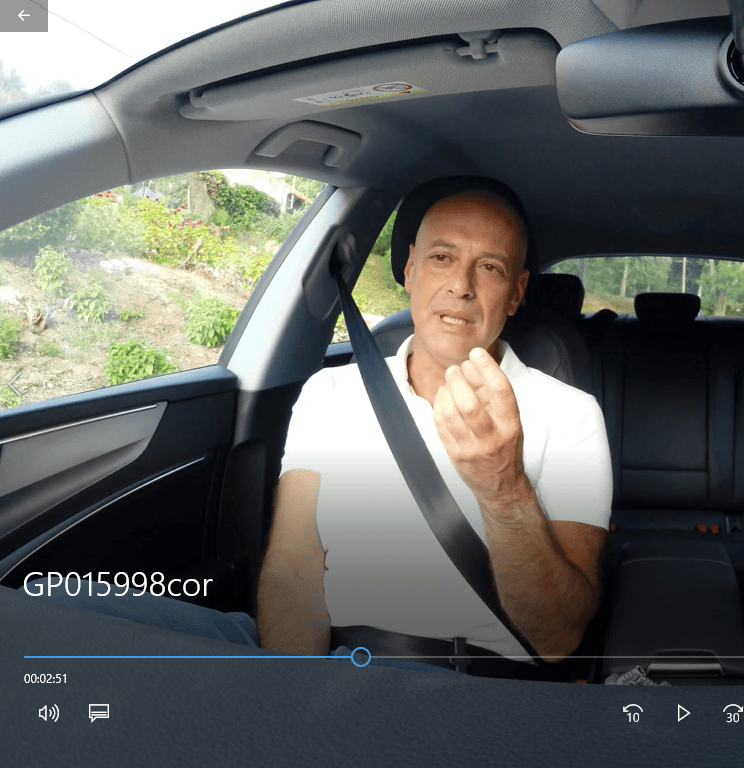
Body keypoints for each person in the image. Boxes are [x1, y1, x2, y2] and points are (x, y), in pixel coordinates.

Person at [35, 179, 613, 677]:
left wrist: (504, 488)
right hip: (319, 662)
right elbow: (294, 566)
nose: (461, 284)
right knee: (53, 605)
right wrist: (296, 689)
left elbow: (558, 639)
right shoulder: (330, 392)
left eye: (489, 267)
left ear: (515, 293)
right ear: (410, 270)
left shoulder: (570, 415)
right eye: (442, 257)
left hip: (466, 682)